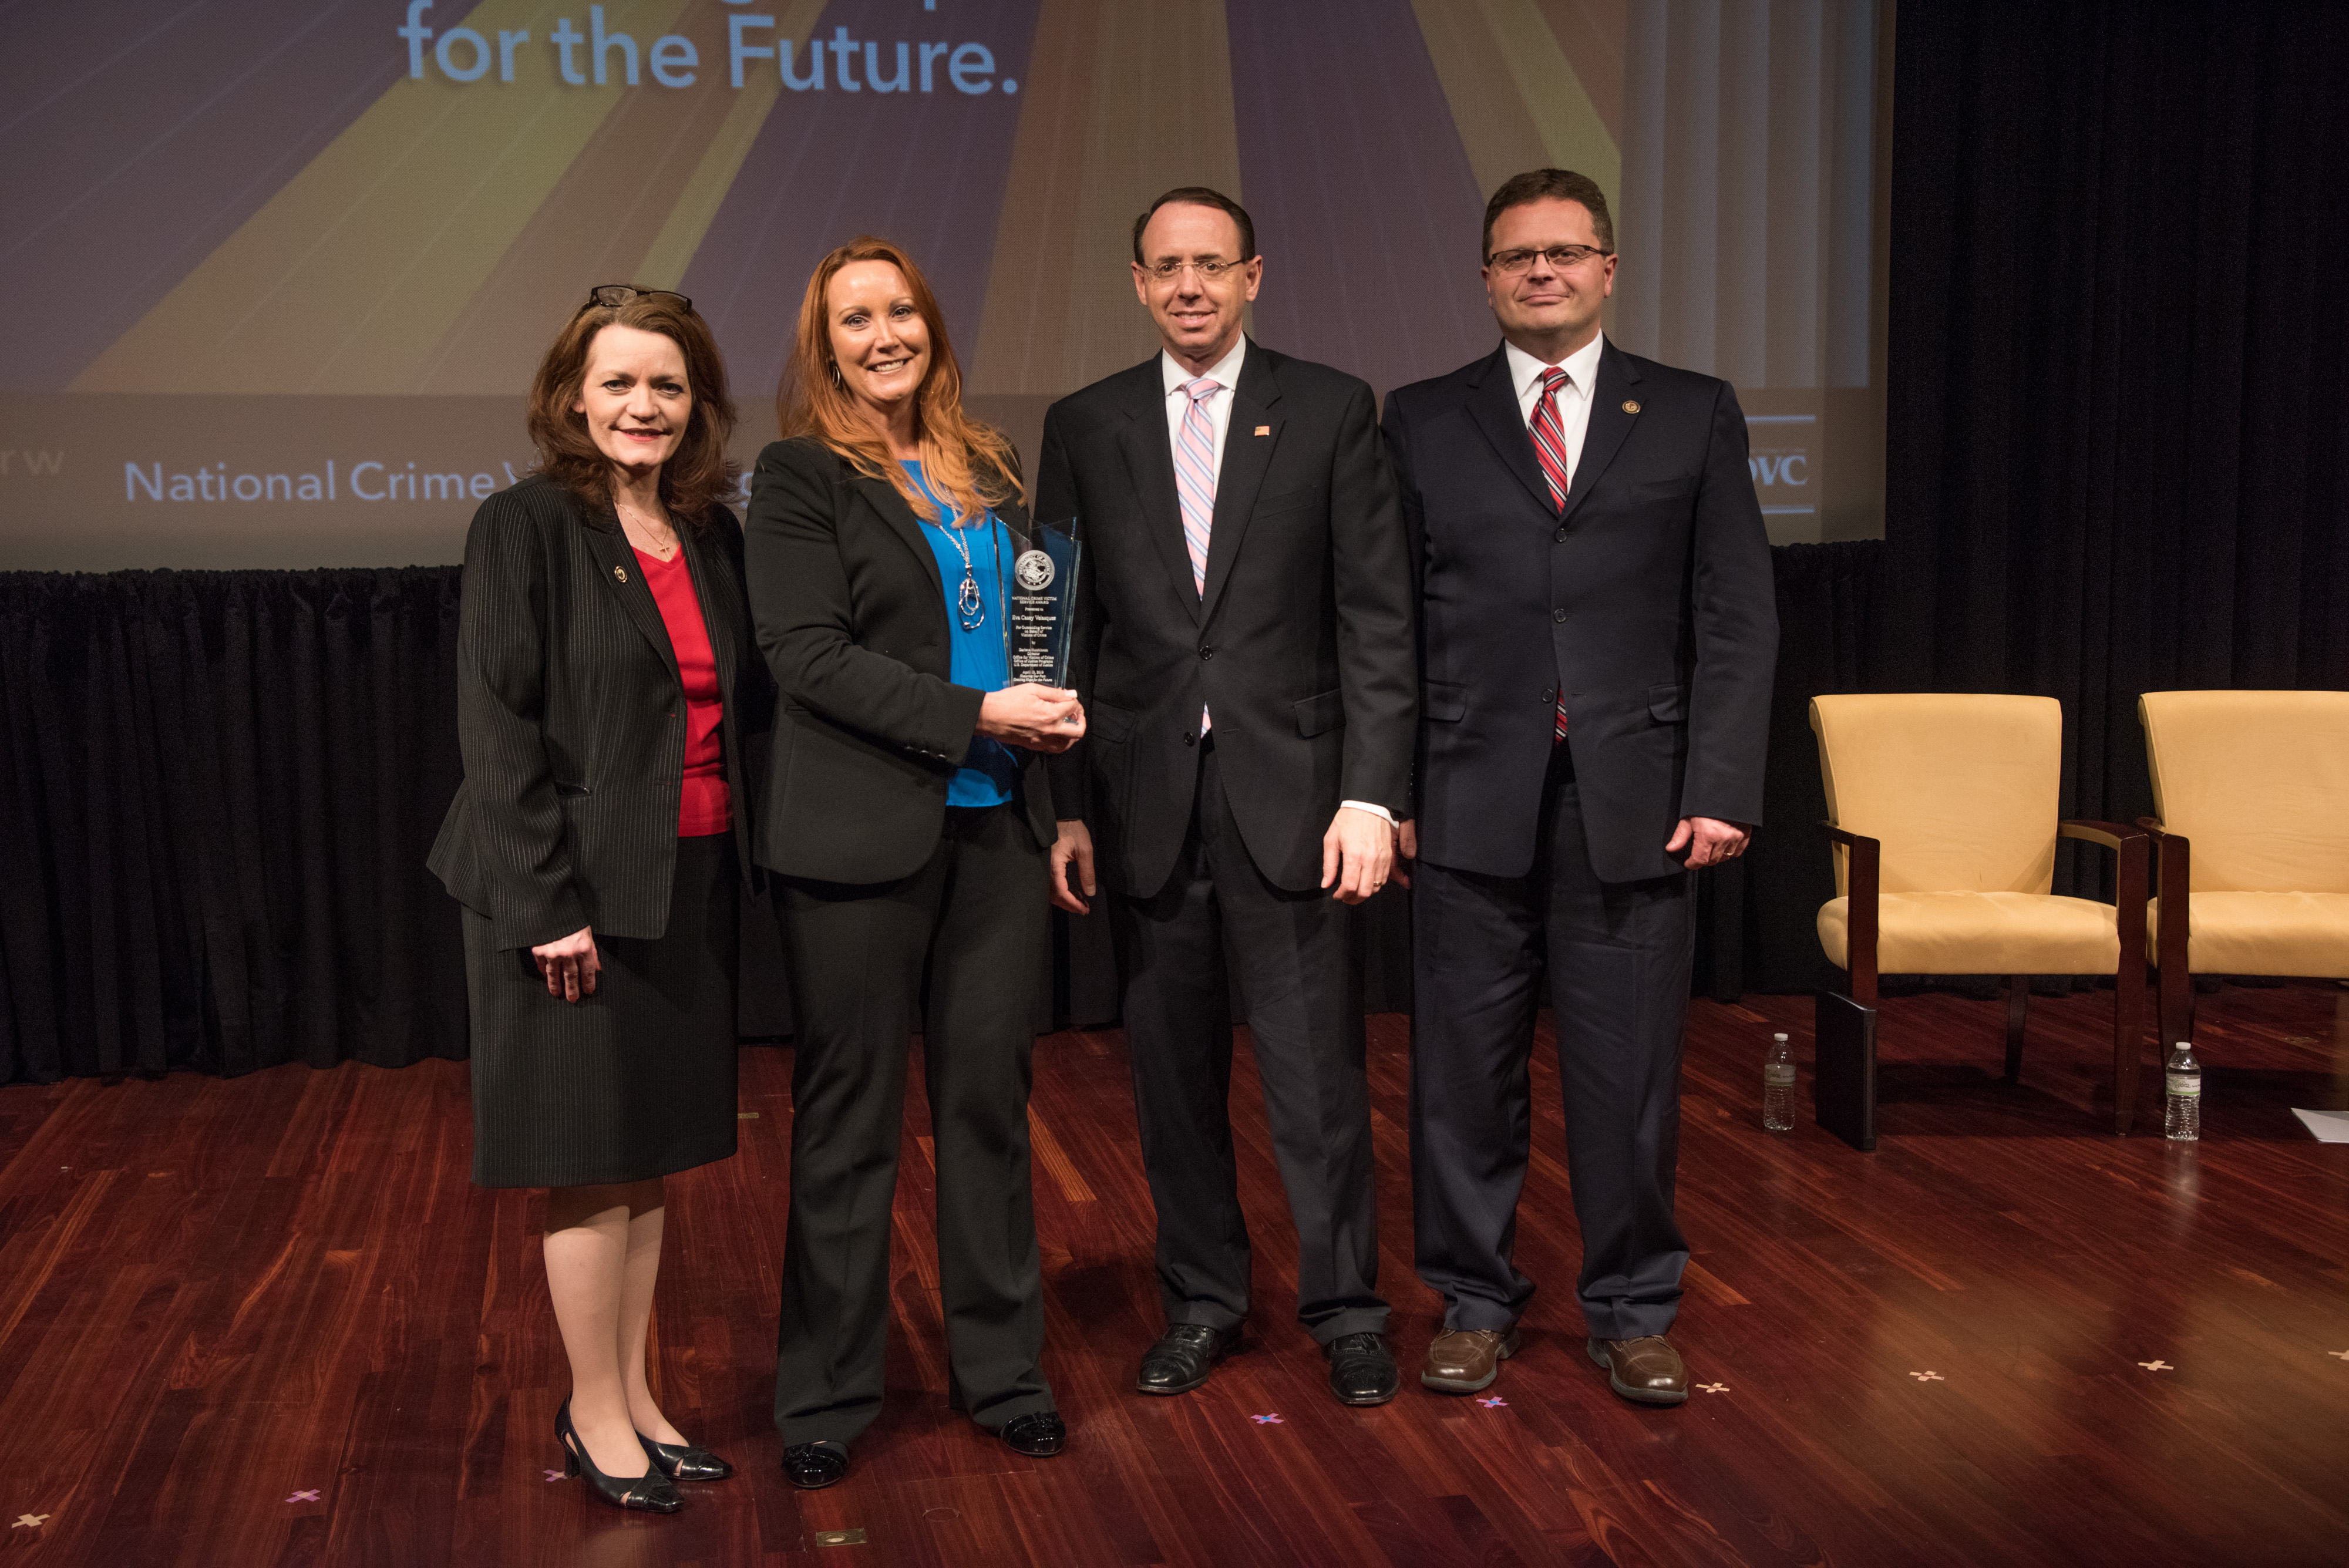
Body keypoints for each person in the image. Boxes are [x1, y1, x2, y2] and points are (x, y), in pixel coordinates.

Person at [1384, 170, 1778, 1404]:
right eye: (1516, 257)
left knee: (1629, 1081)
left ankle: (1630, 1305)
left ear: (1608, 268)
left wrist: (1720, 783)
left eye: (1563, 253)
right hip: (1461, 799)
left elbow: (1733, 615)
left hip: (1638, 801)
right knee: (1462, 1077)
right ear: (1486, 276)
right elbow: (1382, 623)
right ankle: (1471, 1297)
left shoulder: (1690, 410)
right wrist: (1382, 793)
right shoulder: (1420, 416)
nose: (1540, 273)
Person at [1040, 187, 1418, 1407]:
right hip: (1147, 806)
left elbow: (1375, 617)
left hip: (1297, 802)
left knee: (1315, 1087)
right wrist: (1068, 807)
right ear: (1138, 285)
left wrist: (1371, 793)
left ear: (1254, 274)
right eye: (1167, 267)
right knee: (1171, 1088)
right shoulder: (1085, 424)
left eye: (1212, 264)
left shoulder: (1326, 409)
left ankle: (1346, 1309)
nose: (1190, 285)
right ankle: (1201, 1300)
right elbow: (1063, 635)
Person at [745, 236, 1081, 1490]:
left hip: (996, 828)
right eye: (852, 319)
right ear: (822, 344)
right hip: (859, 841)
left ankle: (1002, 1377)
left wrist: (1046, 727)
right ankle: (827, 1394)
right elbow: (805, 655)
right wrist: (979, 714)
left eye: (899, 311)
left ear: (931, 326)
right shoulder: (797, 476)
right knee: (850, 1123)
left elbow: (1030, 626)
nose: (880, 333)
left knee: (989, 1112)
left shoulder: (986, 466)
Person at [429, 285, 770, 1512]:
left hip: (685, 879)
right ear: (574, 395)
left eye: (667, 386)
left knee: (647, 1162)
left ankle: (634, 1397)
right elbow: (497, 728)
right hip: (565, 897)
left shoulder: (712, 535)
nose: (644, 407)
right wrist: (543, 906)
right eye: (620, 383)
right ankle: (588, 1410)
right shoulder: (524, 525)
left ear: (698, 405)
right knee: (586, 1161)